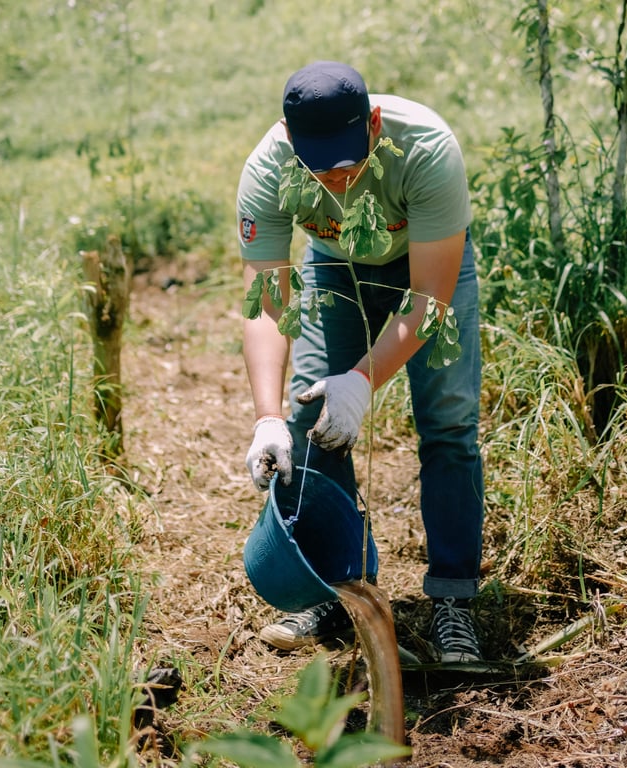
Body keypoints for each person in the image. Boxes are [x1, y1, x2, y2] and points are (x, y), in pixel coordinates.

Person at [236, 61, 484, 663]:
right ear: (291, 143)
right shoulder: (268, 169)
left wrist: (363, 379)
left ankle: (453, 602)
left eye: (347, 166)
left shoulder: (424, 147)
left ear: (372, 125)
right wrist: (267, 416)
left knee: (448, 423)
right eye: (316, 169)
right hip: (335, 267)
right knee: (310, 419)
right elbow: (268, 304)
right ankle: (336, 591)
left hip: (425, 269)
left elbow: (429, 298)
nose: (335, 183)